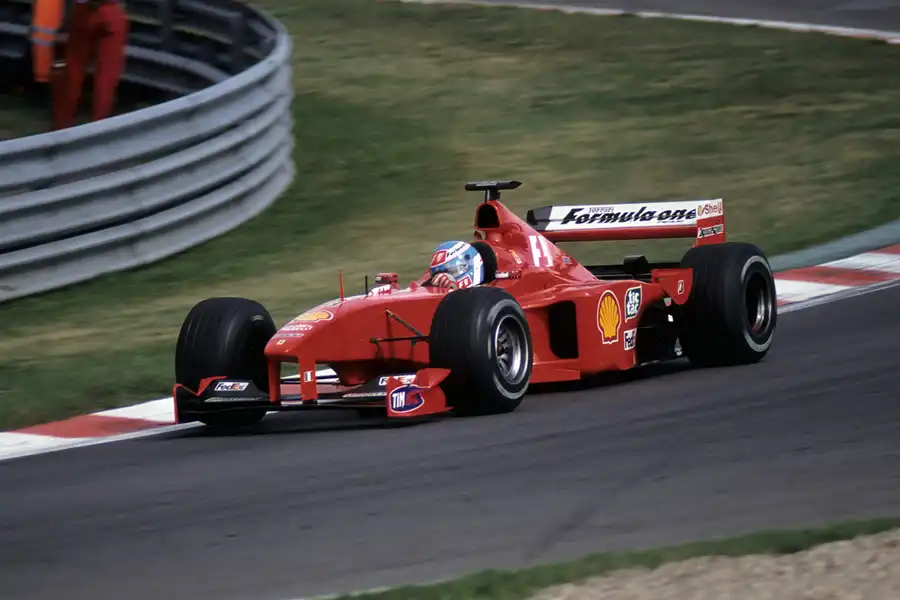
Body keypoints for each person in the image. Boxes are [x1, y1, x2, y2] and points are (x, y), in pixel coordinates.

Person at [51, 0, 129, 130]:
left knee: (73, 70)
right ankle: (98, 126)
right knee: (107, 75)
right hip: (111, 10)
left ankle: (61, 124)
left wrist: (65, 25)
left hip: (83, 10)